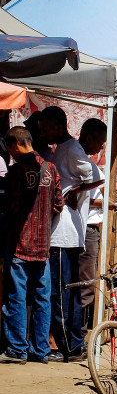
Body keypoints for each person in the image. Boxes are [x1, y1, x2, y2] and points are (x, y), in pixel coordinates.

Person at [41, 106, 101, 363]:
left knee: (62, 294)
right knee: (68, 292)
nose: (43, 132)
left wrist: (72, 194)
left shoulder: (71, 149)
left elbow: (96, 177)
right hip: (65, 232)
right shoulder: (64, 149)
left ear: (57, 126)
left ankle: (69, 347)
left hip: (64, 234)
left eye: (45, 128)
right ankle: (72, 344)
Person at [0, 128, 63, 364]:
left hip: (18, 244)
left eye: (10, 149)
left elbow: (10, 207)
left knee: (16, 297)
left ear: (16, 145)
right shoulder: (51, 169)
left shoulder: (16, 172)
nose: (10, 154)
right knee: (41, 298)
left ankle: (17, 349)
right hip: (42, 247)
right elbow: (59, 204)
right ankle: (41, 351)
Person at [77, 119, 109, 329]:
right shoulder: (79, 161)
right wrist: (105, 203)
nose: (100, 148)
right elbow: (74, 195)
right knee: (86, 283)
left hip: (89, 229)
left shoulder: (85, 162)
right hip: (85, 229)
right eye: (100, 143)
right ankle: (77, 332)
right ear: (89, 138)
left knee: (87, 281)